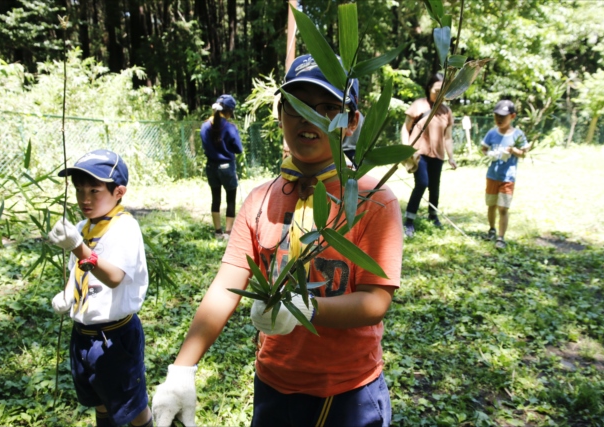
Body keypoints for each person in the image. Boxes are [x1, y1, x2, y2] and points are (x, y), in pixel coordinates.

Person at [152, 54, 403, 427]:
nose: (308, 117)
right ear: (280, 112)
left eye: (327, 108)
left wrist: (309, 308)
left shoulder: (373, 200)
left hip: (347, 392)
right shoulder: (260, 200)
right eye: (297, 105)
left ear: (350, 121)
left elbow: (375, 301)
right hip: (274, 385)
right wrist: (182, 370)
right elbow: (226, 285)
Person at [48, 149, 152, 427]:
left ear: (119, 191)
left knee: (132, 404)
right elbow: (77, 269)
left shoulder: (124, 228)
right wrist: (67, 294)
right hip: (83, 335)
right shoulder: (82, 227)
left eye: (94, 190)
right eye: (79, 190)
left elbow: (115, 276)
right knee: (99, 398)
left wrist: (79, 248)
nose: (85, 199)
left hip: (114, 336)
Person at [400, 73, 457, 238]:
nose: (439, 94)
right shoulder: (419, 105)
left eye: (443, 90)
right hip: (419, 153)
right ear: (429, 88)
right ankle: (409, 221)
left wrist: (451, 157)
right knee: (422, 183)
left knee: (435, 186)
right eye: (436, 89)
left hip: (437, 155)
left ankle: (433, 216)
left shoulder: (446, 112)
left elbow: (448, 137)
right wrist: (406, 148)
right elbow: (405, 128)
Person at [481, 99, 530, 249]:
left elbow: (524, 152)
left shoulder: (518, 134)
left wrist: (513, 151)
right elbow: (483, 148)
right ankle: (492, 230)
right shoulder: (492, 133)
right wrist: (490, 154)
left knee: (503, 207)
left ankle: (501, 237)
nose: (499, 119)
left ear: (512, 116)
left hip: (508, 177)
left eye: (503, 116)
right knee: (491, 205)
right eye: (497, 116)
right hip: (492, 176)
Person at [200, 94, 244, 240]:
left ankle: (217, 231)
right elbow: (238, 149)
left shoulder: (205, 126)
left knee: (216, 198)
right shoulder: (230, 127)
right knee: (230, 199)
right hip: (227, 167)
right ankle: (228, 232)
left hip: (211, 166)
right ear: (229, 111)